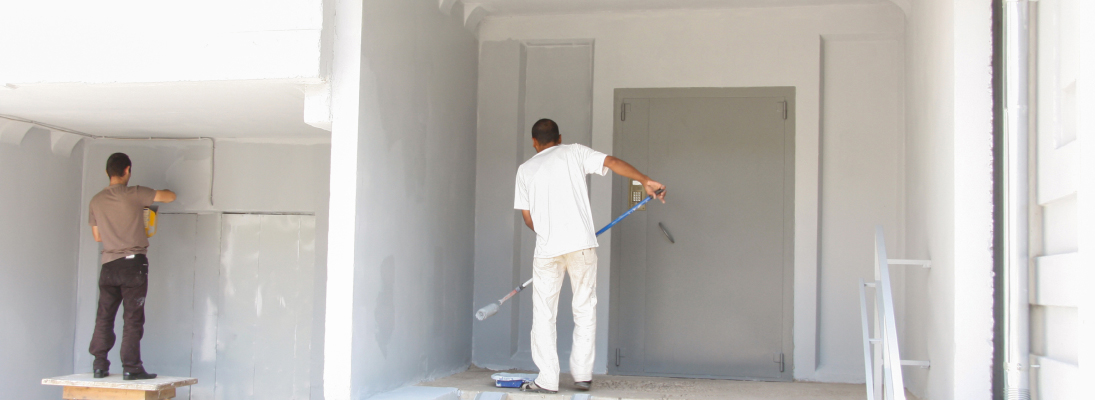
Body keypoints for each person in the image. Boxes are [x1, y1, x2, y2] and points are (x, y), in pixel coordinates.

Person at [514, 118, 666, 393]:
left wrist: (550, 233)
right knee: (584, 308)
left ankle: (547, 380)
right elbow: (612, 162)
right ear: (559, 138)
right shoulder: (574, 152)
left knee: (544, 314)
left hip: (547, 251)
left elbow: (527, 218)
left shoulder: (525, 170)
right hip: (581, 246)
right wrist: (644, 180)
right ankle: (582, 375)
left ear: (534, 142)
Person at [87, 153, 176, 380]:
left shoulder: (96, 200)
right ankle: (131, 367)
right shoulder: (134, 193)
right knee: (133, 317)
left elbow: (97, 236)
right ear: (127, 170)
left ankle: (99, 365)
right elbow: (169, 197)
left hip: (108, 266)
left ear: (108, 172)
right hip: (133, 265)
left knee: (104, 316)